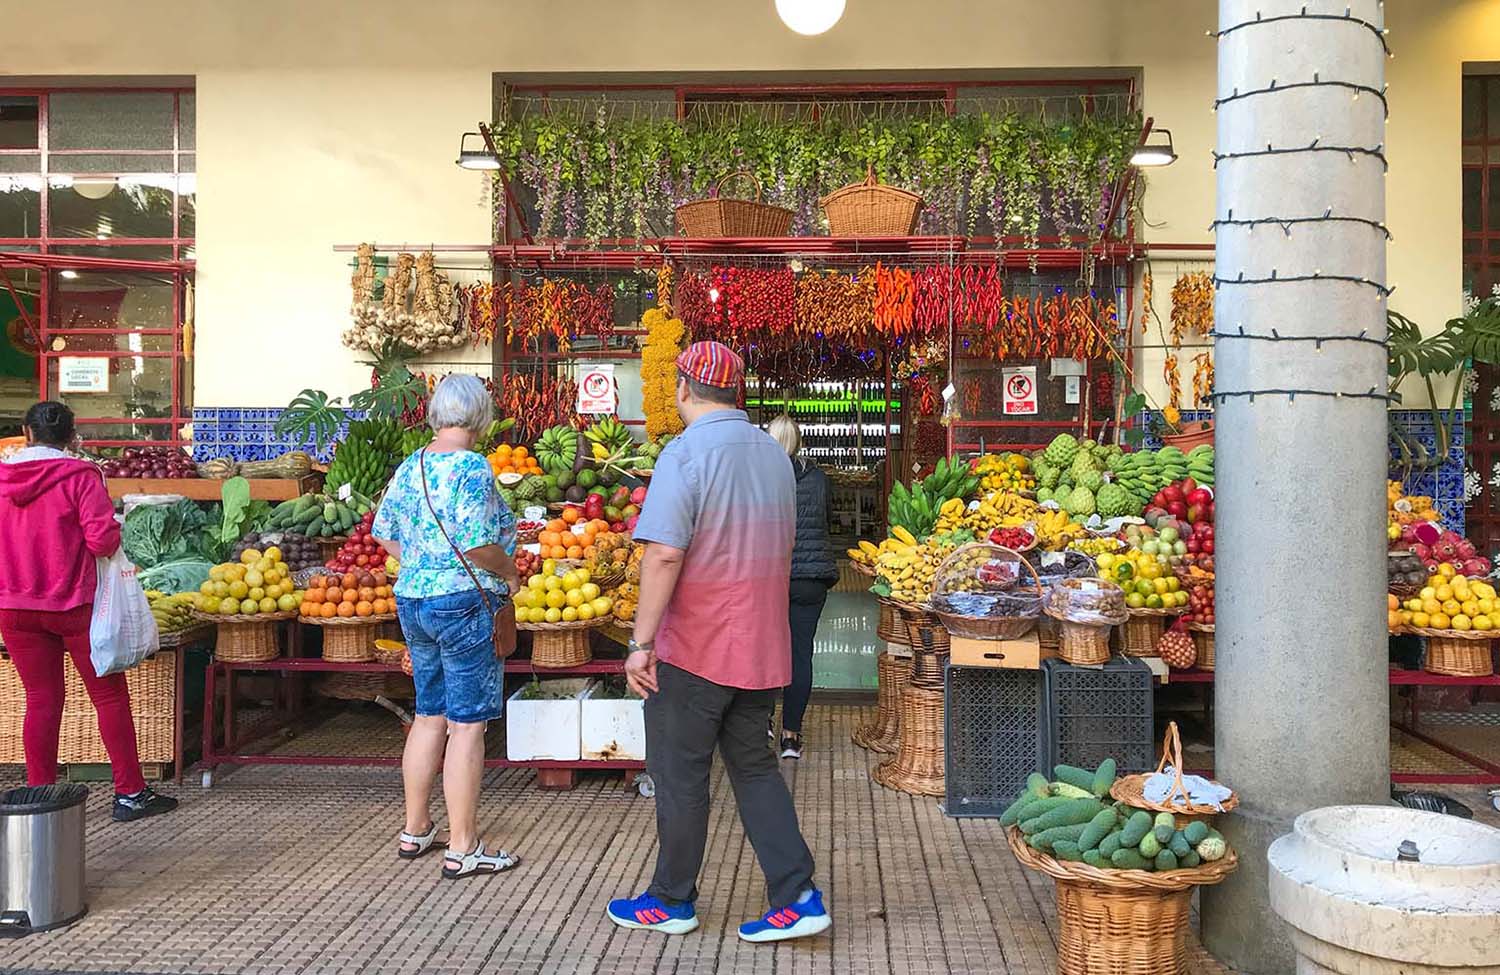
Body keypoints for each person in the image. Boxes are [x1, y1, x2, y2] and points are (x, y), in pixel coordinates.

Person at [607, 342, 830, 944]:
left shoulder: (685, 455)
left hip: (696, 651)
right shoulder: (773, 455)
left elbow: (664, 555)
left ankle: (671, 899)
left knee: (681, 776)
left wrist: (640, 642)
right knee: (754, 770)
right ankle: (798, 894)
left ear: (683, 388)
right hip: (760, 648)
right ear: (739, 392)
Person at [372, 374, 522, 880]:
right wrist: (510, 572)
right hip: (463, 602)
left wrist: (422, 562)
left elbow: (384, 533)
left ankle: (416, 829)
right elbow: (479, 544)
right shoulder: (473, 468)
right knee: (467, 724)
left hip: (414, 598)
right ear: (480, 416)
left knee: (429, 714)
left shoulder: (411, 465)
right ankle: (464, 846)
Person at [0, 402, 177, 822]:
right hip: (74, 603)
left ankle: (40, 796)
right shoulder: (81, 476)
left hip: (13, 606)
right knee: (108, 696)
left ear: (27, 432)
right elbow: (101, 542)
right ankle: (131, 794)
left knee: (41, 699)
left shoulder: (3, 477)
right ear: (72, 435)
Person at [766, 414, 838, 761]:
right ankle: (790, 736)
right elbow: (825, 520)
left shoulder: (760, 478)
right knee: (799, 655)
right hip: (810, 577)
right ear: (800, 442)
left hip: (768, 576)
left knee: (763, 649)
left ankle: (762, 719)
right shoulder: (819, 478)